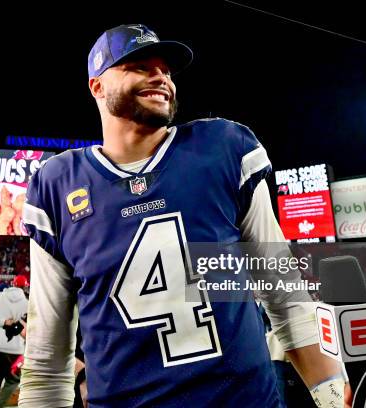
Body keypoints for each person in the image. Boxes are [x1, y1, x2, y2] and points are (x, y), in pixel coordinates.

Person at [19, 24, 342, 407]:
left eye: (166, 70)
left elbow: (285, 293)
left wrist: (332, 396)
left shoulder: (223, 146)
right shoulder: (56, 185)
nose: (160, 76)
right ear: (97, 86)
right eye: (138, 66)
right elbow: (47, 357)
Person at [0, 275, 29, 408]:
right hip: (15, 350)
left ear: (12, 284)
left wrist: (3, 322)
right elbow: (28, 332)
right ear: (25, 286)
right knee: (13, 380)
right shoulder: (28, 304)